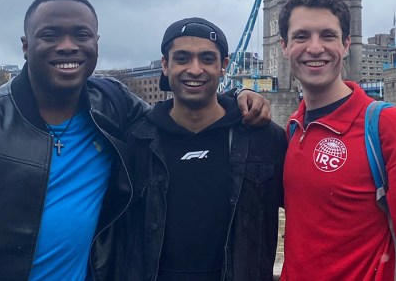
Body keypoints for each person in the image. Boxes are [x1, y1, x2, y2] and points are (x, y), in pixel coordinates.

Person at [0, 0, 270, 281]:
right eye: (50, 34)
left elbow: (184, 112)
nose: (68, 46)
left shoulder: (114, 106)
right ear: (25, 46)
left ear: (96, 45)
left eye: (81, 35)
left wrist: (239, 97)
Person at [278, 0, 396, 280]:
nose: (315, 47)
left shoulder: (386, 125)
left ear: (346, 44)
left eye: (328, 36)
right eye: (301, 36)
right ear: (284, 46)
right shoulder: (294, 129)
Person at [117, 17, 286, 280]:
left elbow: (310, 213)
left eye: (207, 59)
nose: (195, 70)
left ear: (224, 67)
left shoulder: (264, 138)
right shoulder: (135, 141)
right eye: (182, 58)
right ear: (165, 65)